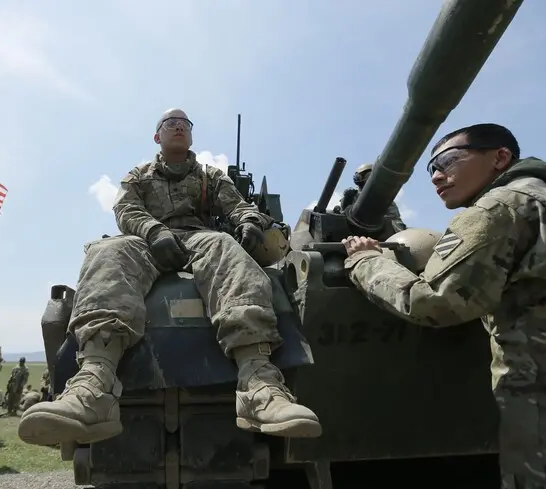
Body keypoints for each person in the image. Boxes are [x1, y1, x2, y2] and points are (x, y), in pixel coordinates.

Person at [18, 108, 321, 447]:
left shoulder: (209, 176)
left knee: (226, 246)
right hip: (146, 241)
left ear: (190, 134)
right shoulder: (139, 175)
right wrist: (154, 231)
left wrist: (248, 222)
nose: (178, 127)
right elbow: (125, 209)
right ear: (157, 136)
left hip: (198, 238)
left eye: (184, 124)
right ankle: (93, 386)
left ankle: (259, 385)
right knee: (107, 252)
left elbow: (237, 206)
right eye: (170, 123)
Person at [341, 123, 546, 488]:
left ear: (500, 157)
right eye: (432, 168)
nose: (437, 176)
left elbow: (433, 302)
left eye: (449, 161)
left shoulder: (498, 208)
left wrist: (366, 261)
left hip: (544, 399)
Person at [334, 163, 407, 236]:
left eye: (372, 176)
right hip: (351, 233)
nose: (370, 179)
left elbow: (395, 219)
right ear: (358, 178)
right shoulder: (350, 196)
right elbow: (342, 216)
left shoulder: (385, 200)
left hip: (379, 234)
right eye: (368, 176)